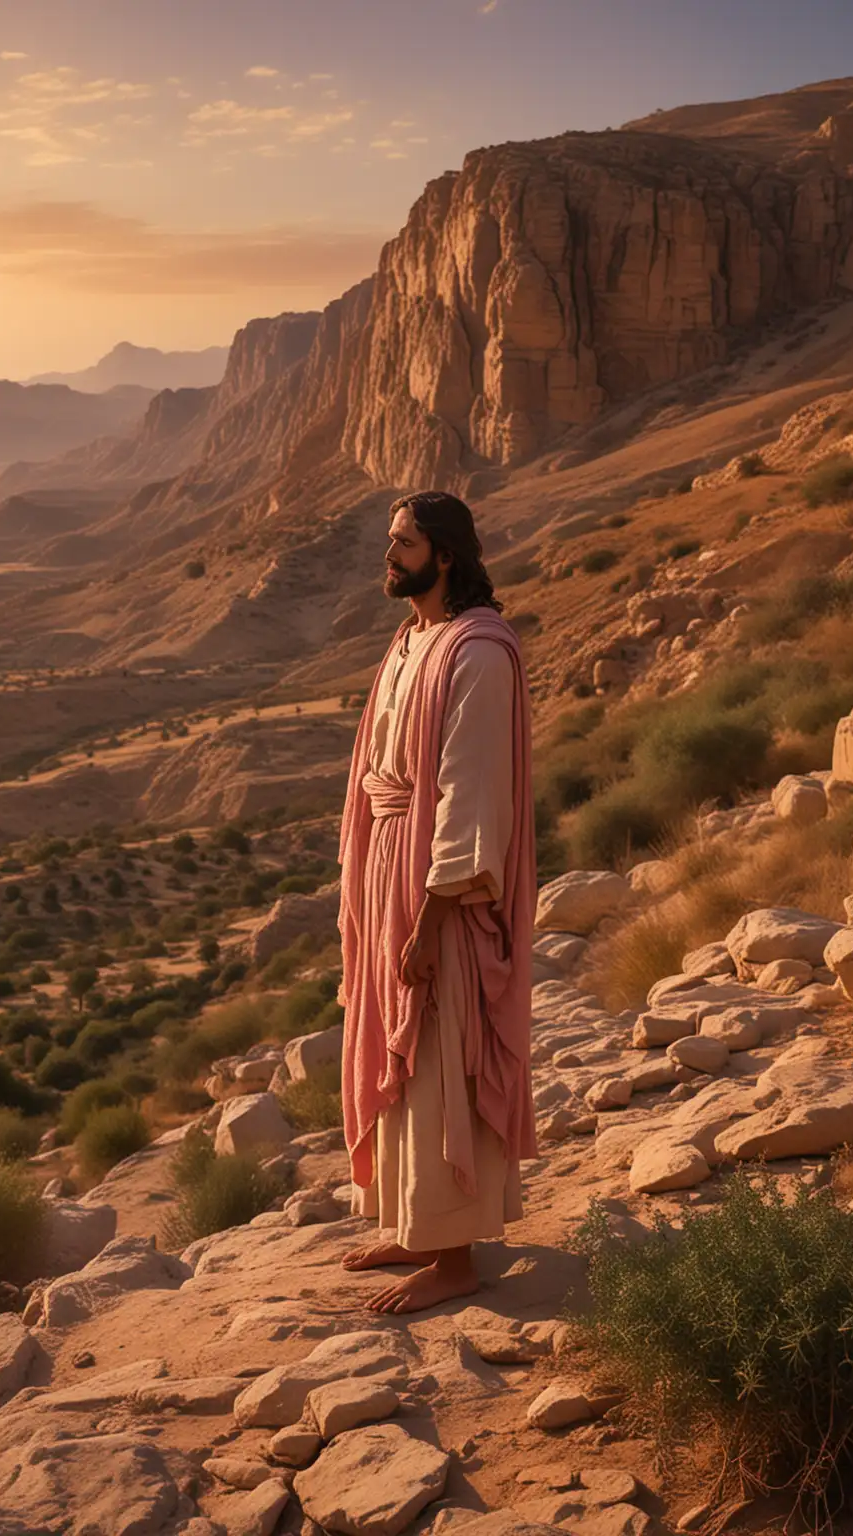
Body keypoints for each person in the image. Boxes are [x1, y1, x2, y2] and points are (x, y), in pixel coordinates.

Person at [337, 489, 536, 1315]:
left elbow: (467, 796)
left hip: (439, 890)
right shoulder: (411, 639)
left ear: (444, 555)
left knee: (438, 1051)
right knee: (395, 1042)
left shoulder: (478, 654)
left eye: (404, 542)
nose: (389, 554)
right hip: (391, 866)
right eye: (389, 539)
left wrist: (429, 918)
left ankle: (454, 1256)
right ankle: (413, 1221)